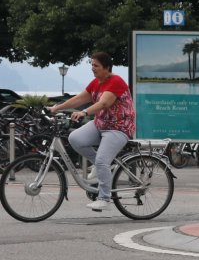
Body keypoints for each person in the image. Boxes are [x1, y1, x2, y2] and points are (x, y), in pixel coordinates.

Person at [49, 51, 135, 212]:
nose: (92, 68)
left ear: (106, 67)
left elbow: (103, 103)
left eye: (96, 65)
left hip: (119, 128)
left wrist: (84, 112)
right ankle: (101, 166)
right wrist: (56, 108)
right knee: (75, 138)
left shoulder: (116, 81)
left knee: (102, 161)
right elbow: (79, 99)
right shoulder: (96, 82)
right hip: (100, 124)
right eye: (92, 65)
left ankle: (105, 198)